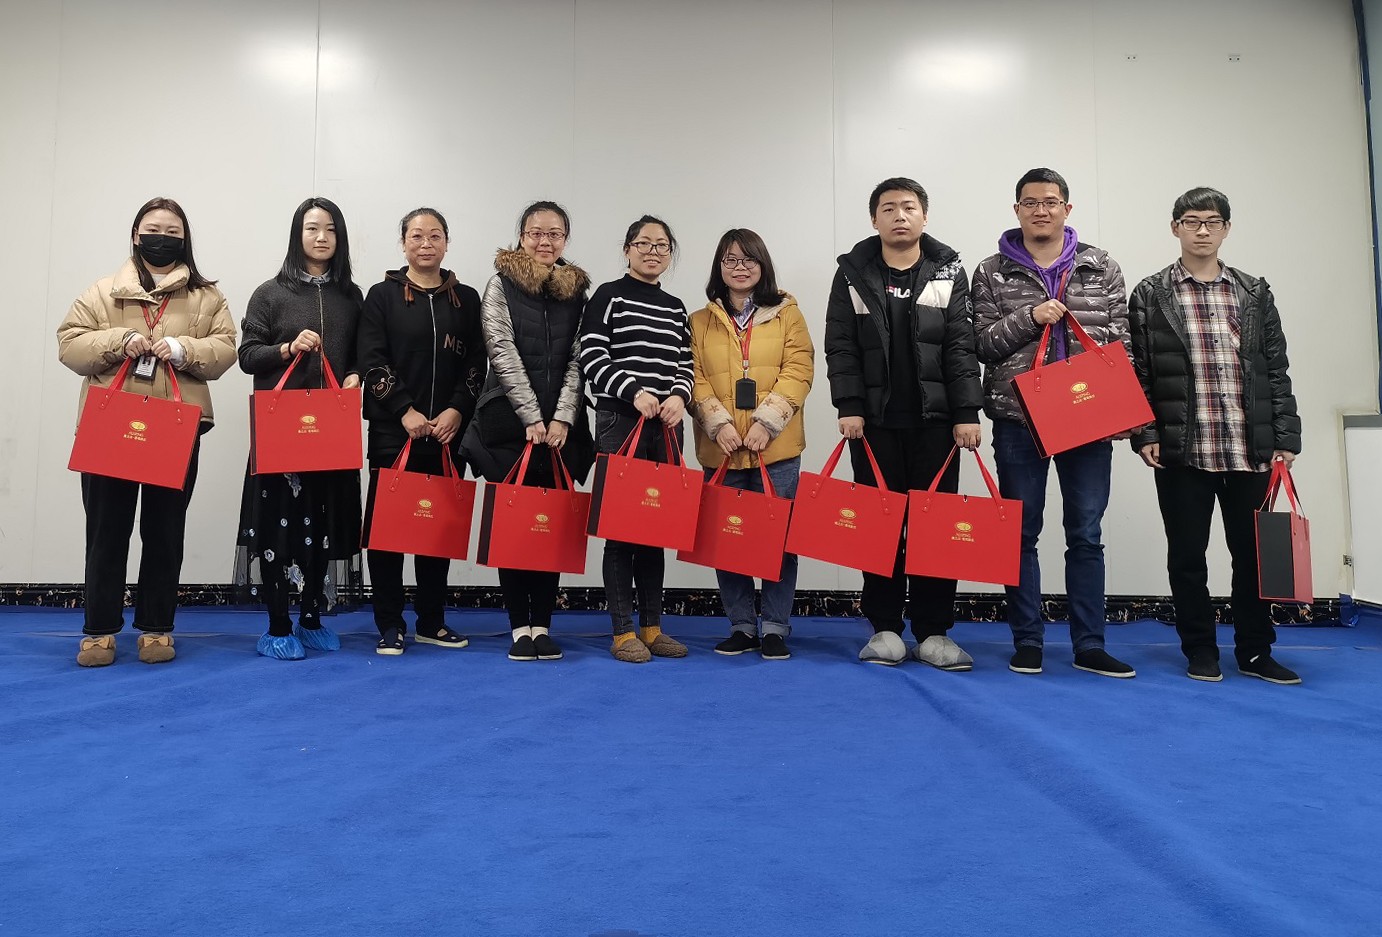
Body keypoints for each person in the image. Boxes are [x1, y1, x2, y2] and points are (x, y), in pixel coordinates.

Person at [1128, 187, 1303, 684]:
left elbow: (1275, 369)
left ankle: (1255, 651)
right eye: (1191, 221)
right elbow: (1138, 372)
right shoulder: (1151, 293)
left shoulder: (1253, 291)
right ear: (1175, 228)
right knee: (1187, 557)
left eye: (1211, 221)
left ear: (1226, 228)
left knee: (1254, 557)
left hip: (1250, 448)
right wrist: (1145, 432)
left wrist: (1285, 436)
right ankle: (1200, 649)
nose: (1201, 230)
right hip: (1183, 448)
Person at [57, 197, 237, 666]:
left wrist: (181, 348)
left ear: (185, 239)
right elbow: (69, 344)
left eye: (173, 232)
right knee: (106, 531)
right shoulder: (103, 292)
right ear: (136, 235)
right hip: (110, 427)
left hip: (175, 428)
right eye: (154, 229)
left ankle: (156, 628)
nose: (162, 238)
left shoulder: (207, 297)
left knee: (164, 531)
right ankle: (99, 630)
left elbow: (226, 349)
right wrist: (119, 340)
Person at [971, 167, 1136, 678]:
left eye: (1050, 201)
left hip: (1088, 418)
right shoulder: (991, 271)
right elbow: (982, 345)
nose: (1040, 210)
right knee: (1021, 534)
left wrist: (1125, 414)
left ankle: (1089, 644)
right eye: (1030, 202)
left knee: (1086, 533)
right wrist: (1031, 318)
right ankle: (1028, 641)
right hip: (1019, 419)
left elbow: (1123, 344)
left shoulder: (1100, 266)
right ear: (1016, 210)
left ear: (1067, 208)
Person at [824, 177, 983, 670]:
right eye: (888, 208)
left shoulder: (948, 271)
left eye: (909, 207)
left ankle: (934, 632)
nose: (899, 215)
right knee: (878, 530)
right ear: (874, 219)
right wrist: (849, 405)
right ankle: (885, 628)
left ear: (924, 216)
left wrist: (966, 412)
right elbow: (840, 345)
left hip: (938, 426)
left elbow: (961, 346)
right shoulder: (852, 274)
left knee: (937, 530)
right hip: (873, 425)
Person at [461, 200, 594, 661]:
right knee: (516, 528)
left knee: (549, 525)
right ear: (521, 236)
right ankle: (520, 626)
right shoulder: (501, 283)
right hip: (510, 425)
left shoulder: (577, 290)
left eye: (554, 233)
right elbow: (501, 350)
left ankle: (543, 625)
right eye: (536, 232)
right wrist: (532, 417)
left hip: (559, 430)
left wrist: (562, 417)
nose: (545, 241)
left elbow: (579, 357)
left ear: (565, 239)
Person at [234, 197, 365, 660]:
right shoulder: (270, 293)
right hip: (284, 432)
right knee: (278, 529)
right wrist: (288, 348)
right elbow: (247, 355)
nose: (322, 237)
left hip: (331, 432)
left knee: (323, 526)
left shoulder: (351, 295)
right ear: (297, 235)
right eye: (312, 228)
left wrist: (355, 375)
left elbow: (362, 354)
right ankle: (277, 626)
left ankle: (311, 619)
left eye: (330, 229)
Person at [357, 207, 485, 655]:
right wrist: (404, 410)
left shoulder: (466, 299)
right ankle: (389, 623)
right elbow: (371, 359)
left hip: (448, 434)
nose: (425, 243)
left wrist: (457, 409)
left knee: (437, 530)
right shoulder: (381, 296)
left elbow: (478, 362)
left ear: (447, 243)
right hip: (395, 433)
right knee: (387, 533)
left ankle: (432, 620)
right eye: (416, 235)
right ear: (403, 243)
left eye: (435, 235)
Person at [690, 228, 814, 660]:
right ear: (719, 267)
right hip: (722, 450)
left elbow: (799, 369)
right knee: (729, 540)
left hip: (775, 451)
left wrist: (768, 422)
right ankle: (742, 626)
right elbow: (693, 377)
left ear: (763, 266)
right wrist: (716, 423)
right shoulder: (699, 321)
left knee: (778, 541)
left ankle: (776, 627)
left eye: (749, 259)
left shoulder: (788, 315)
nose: (740, 267)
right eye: (730, 259)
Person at [579, 215, 693, 663]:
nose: (652, 251)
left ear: (670, 254)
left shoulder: (676, 307)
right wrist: (634, 392)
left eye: (662, 245)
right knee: (621, 532)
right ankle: (622, 631)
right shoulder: (608, 296)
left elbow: (686, 363)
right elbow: (591, 355)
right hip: (620, 421)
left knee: (655, 530)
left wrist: (679, 397)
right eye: (643, 243)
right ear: (627, 250)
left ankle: (652, 628)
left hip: (665, 427)